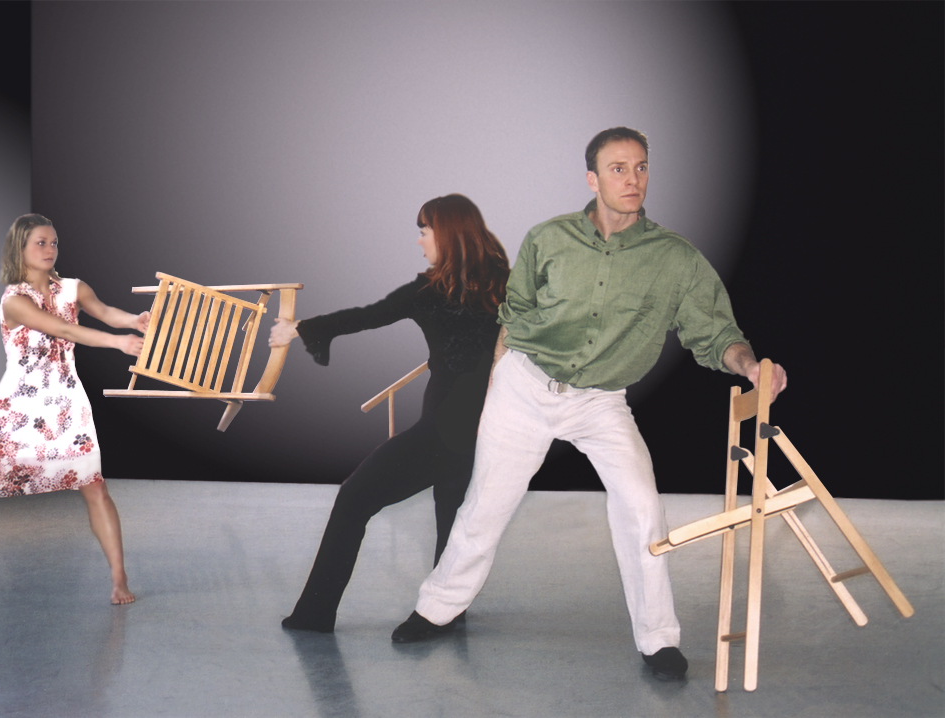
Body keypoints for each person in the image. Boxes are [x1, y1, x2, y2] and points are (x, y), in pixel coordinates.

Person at [390, 128, 788, 682]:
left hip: (600, 401)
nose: (633, 179)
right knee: (484, 506)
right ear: (592, 179)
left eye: (641, 167)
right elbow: (513, 316)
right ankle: (436, 608)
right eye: (618, 168)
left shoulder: (675, 259)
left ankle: (658, 640)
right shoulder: (547, 239)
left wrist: (750, 365)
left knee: (642, 509)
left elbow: (715, 331)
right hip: (525, 386)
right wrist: (494, 386)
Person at [274, 194, 510, 633]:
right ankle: (449, 609)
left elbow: (368, 316)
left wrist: (299, 329)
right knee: (452, 513)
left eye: (424, 231)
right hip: (486, 428)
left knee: (354, 498)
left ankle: (314, 614)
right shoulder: (505, 285)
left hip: (445, 430)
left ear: (446, 233)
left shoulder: (431, 291)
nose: (420, 241)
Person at [0, 213, 148, 605]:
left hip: (66, 405)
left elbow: (103, 311)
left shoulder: (74, 288)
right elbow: (62, 329)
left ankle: (119, 579)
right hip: (17, 407)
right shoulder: (14, 300)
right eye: (40, 243)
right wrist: (118, 343)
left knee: (95, 488)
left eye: (54, 243)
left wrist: (134, 320)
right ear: (20, 248)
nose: (50, 249)